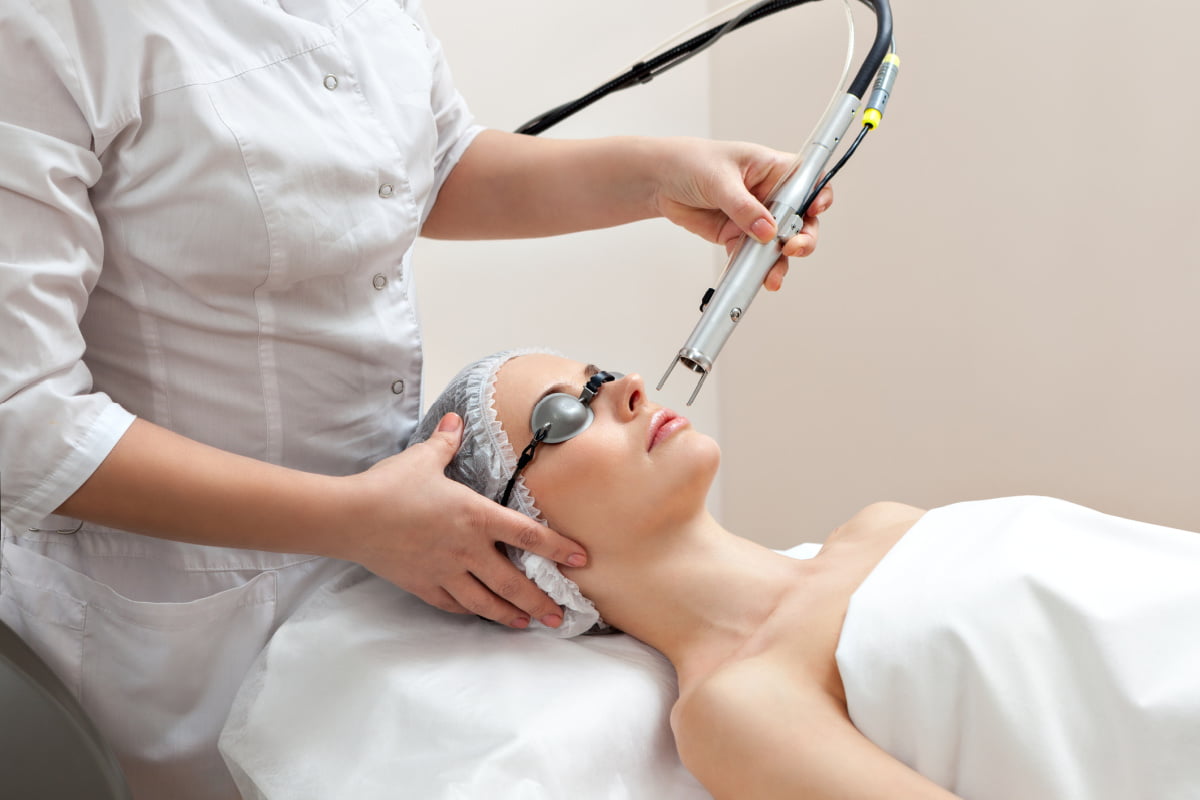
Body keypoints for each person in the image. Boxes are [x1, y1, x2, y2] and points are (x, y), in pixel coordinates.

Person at [0, 1, 834, 797]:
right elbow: (22, 425)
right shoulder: (48, 25)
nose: (630, 390)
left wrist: (656, 179)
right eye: (564, 413)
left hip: (402, 573)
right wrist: (352, 519)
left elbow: (430, 166)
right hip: (184, 618)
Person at [398, 348, 1200, 800]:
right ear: (520, 547)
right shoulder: (734, 709)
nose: (633, 388)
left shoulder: (882, 524)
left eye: (603, 376)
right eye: (565, 413)